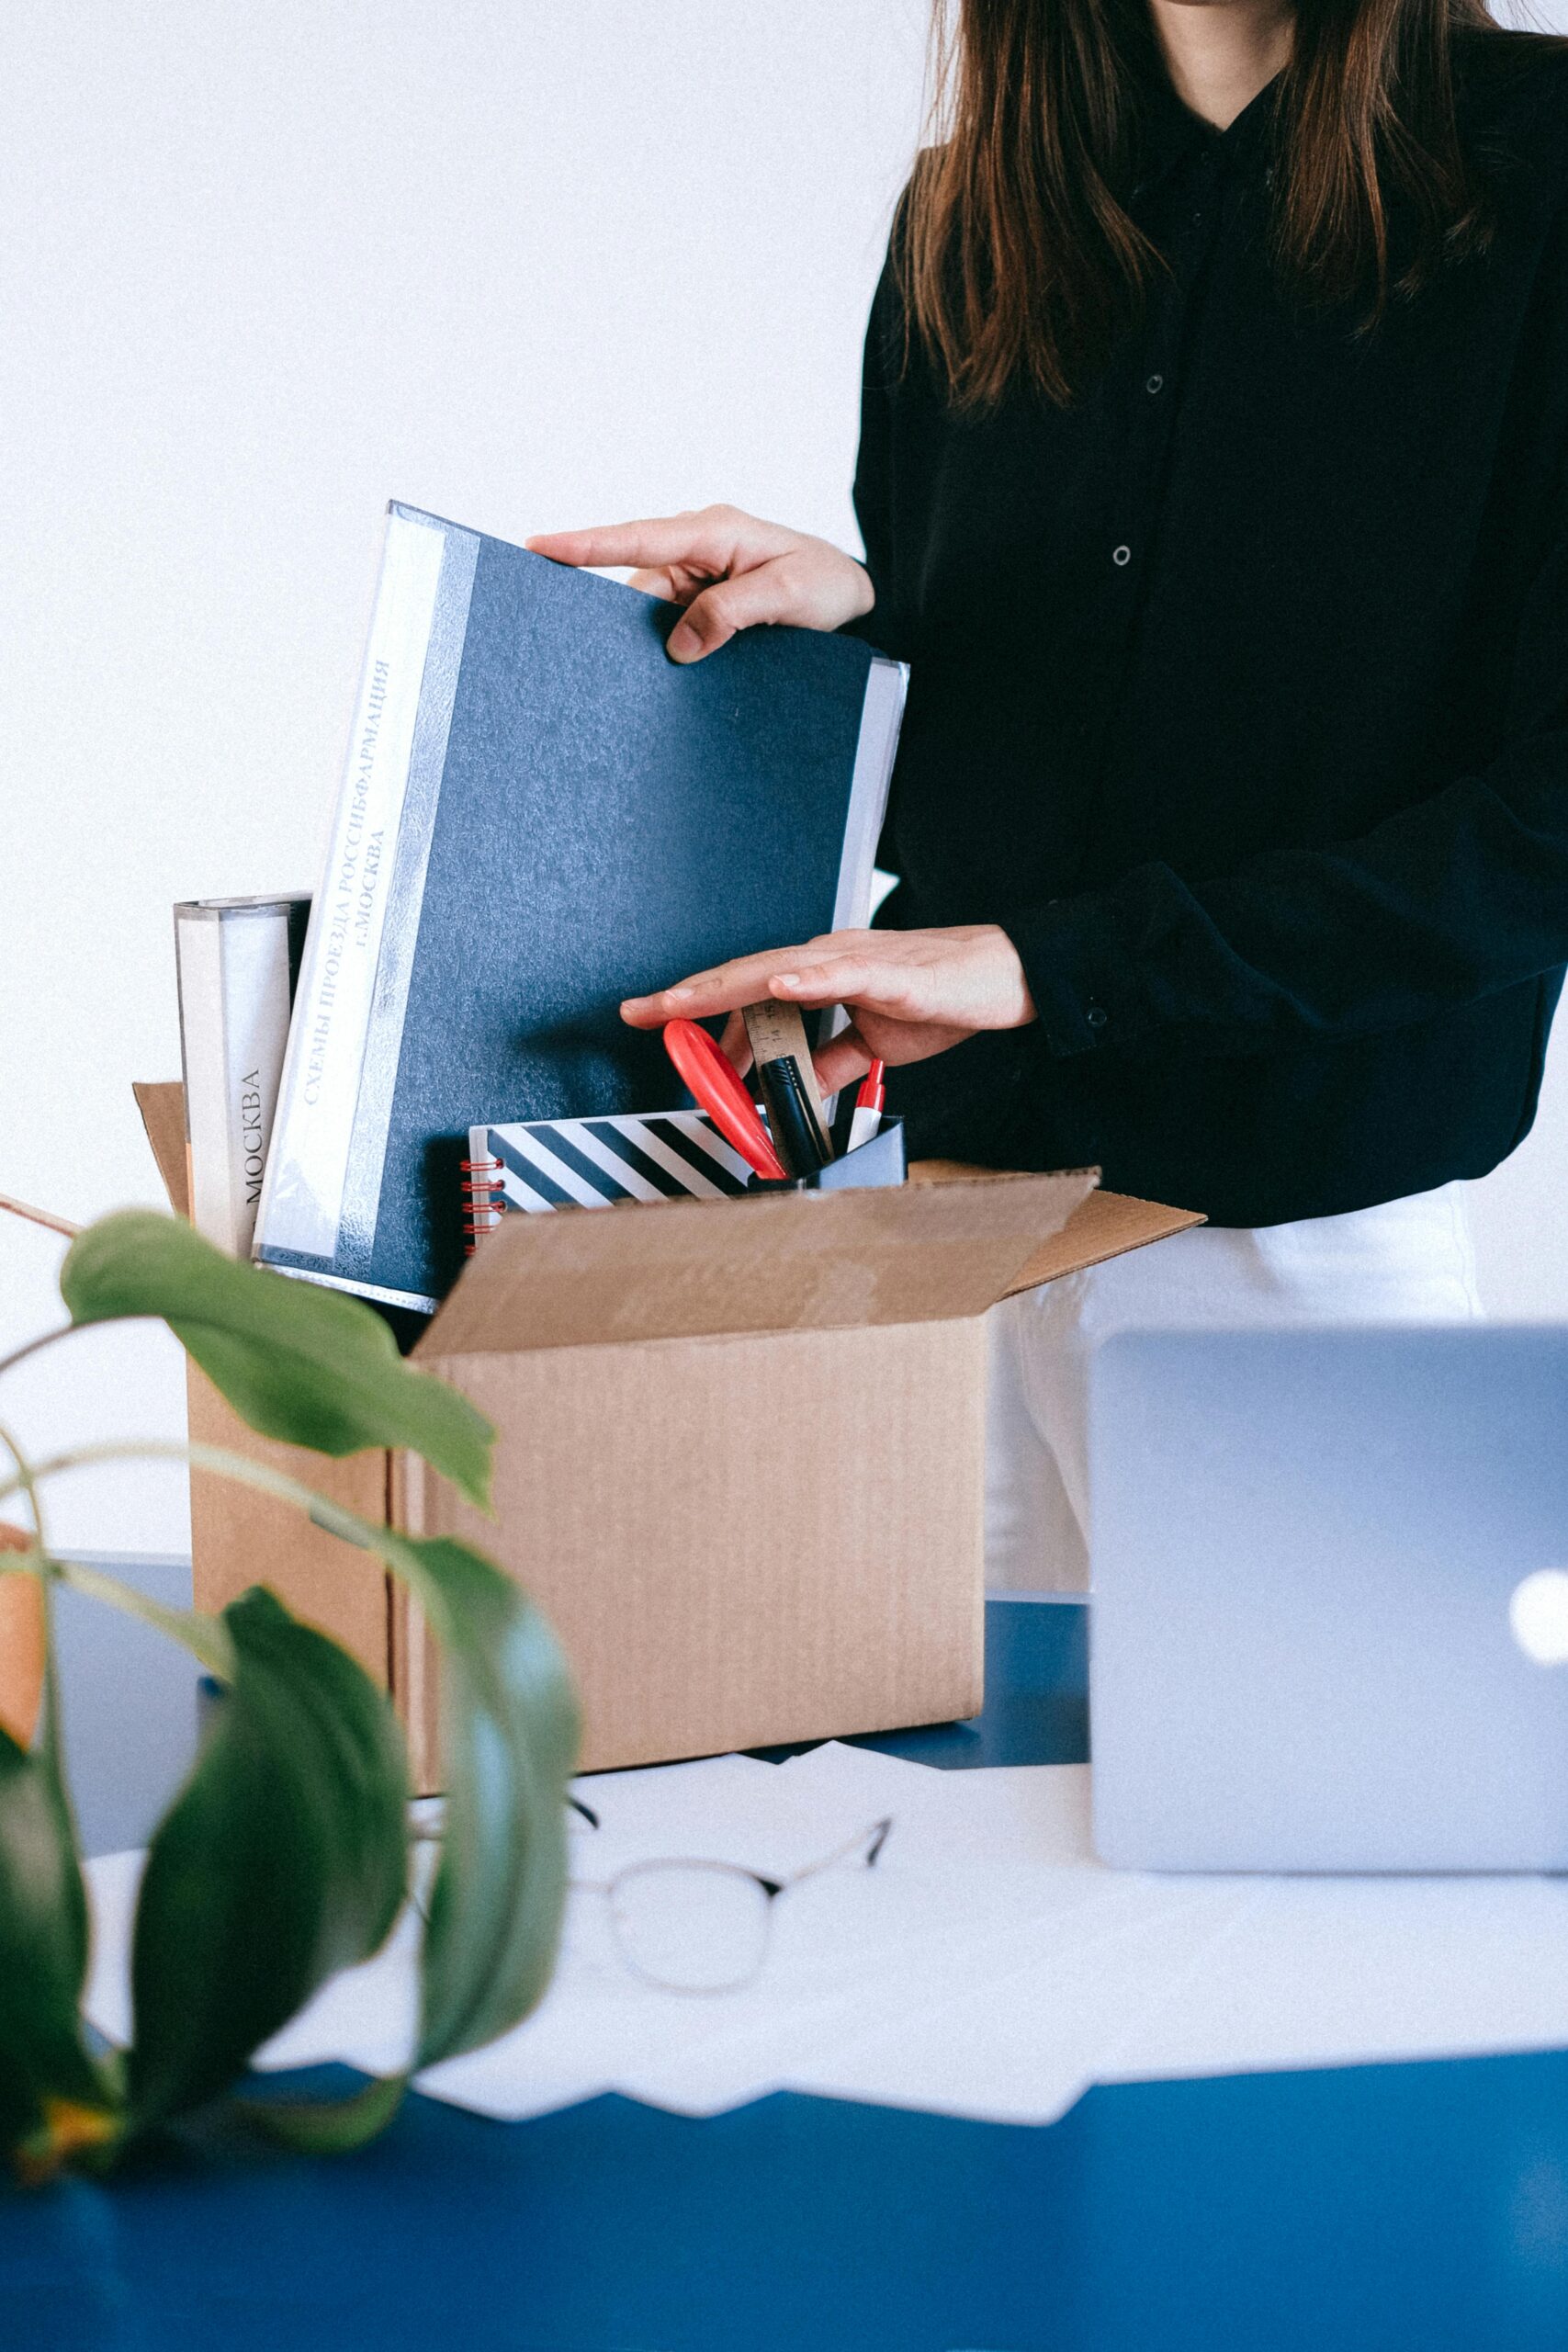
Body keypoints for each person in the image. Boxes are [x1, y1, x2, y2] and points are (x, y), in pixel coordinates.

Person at [531, 0, 1568, 1590]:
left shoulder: (1542, 169)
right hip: (948, 1235)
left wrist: (1050, 966)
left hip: (1290, 1251)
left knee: (1291, 1831)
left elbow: (1540, 833)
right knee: (904, 1828)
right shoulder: (968, 215)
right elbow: (1018, 771)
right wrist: (855, 639)